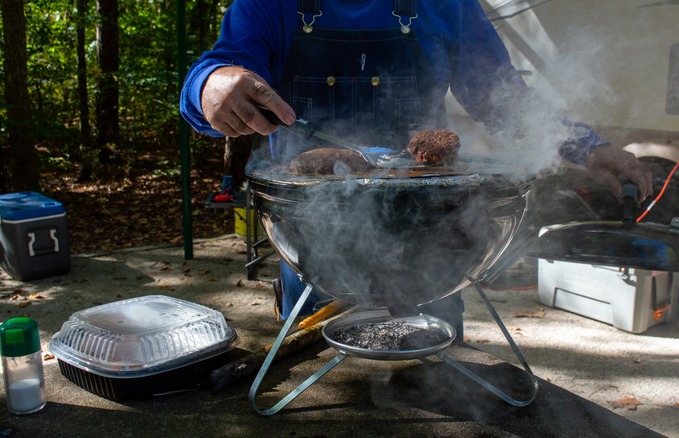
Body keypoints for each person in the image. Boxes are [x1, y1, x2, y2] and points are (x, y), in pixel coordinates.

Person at [180, 0, 653, 332]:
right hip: (312, 242)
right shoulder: (271, 3)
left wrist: (588, 148)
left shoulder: (445, 3)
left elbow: (505, 101)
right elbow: (211, 76)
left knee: (437, 386)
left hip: (432, 244)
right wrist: (212, 84)